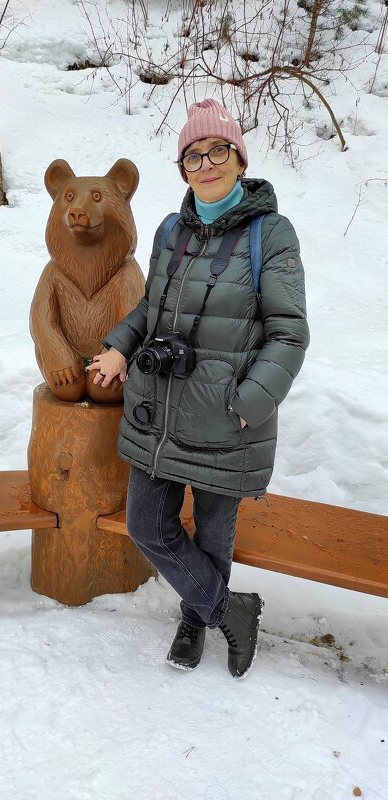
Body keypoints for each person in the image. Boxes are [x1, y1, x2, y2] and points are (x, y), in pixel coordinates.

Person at [88, 98, 309, 679]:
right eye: (192, 156)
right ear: (182, 168)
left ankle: (195, 615)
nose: (206, 164)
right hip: (158, 408)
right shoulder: (170, 229)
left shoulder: (271, 234)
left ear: (238, 158)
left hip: (226, 419)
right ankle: (225, 609)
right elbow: (150, 308)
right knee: (146, 525)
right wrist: (118, 344)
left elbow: (289, 334)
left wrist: (247, 406)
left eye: (217, 152)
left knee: (214, 531)